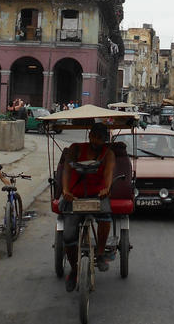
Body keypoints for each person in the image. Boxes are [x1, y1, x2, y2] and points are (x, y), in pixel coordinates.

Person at [61, 122, 116, 292]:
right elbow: (66, 172)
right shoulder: (75, 149)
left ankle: (99, 253)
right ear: (90, 136)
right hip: (74, 195)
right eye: (95, 138)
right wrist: (65, 190)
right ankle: (74, 268)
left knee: (106, 217)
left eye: (101, 139)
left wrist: (106, 189)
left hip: (97, 195)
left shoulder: (108, 154)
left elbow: (108, 174)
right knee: (68, 237)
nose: (98, 142)